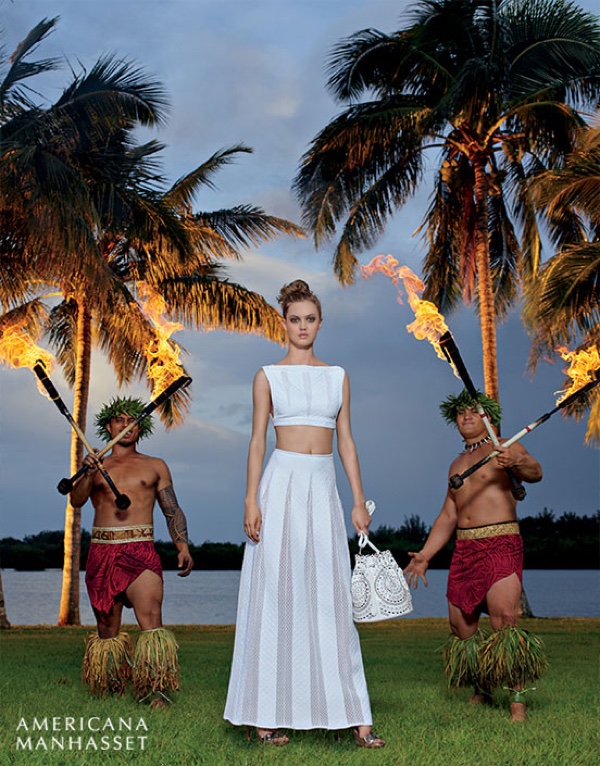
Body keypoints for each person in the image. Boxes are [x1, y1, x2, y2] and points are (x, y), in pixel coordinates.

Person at [224, 280, 384, 748]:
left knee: (330, 595)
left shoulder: (337, 375)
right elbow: (257, 441)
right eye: (294, 319)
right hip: (281, 483)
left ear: (319, 322)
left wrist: (358, 498)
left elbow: (347, 441)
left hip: (322, 486)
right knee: (275, 593)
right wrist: (251, 499)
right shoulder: (267, 375)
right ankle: (266, 717)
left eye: (309, 319)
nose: (302, 326)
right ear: (284, 322)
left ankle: (357, 718)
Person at [404, 390, 548, 721]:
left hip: (500, 542)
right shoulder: (457, 463)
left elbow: (536, 472)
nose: (466, 417)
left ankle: (517, 704)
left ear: (488, 419)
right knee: (460, 625)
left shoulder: (505, 447)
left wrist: (517, 461)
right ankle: (482, 689)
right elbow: (448, 515)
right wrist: (425, 555)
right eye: (460, 413)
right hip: (465, 548)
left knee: (505, 621)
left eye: (473, 412)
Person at [70, 396, 194, 707]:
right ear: (108, 426)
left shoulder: (154, 465)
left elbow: (172, 508)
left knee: (151, 620)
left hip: (141, 551)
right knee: (106, 630)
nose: (126, 426)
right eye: (119, 420)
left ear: (141, 428)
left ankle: (156, 690)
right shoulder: (96, 466)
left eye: (132, 421)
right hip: (103, 552)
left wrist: (182, 545)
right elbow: (76, 501)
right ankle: (111, 686)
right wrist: (87, 472)